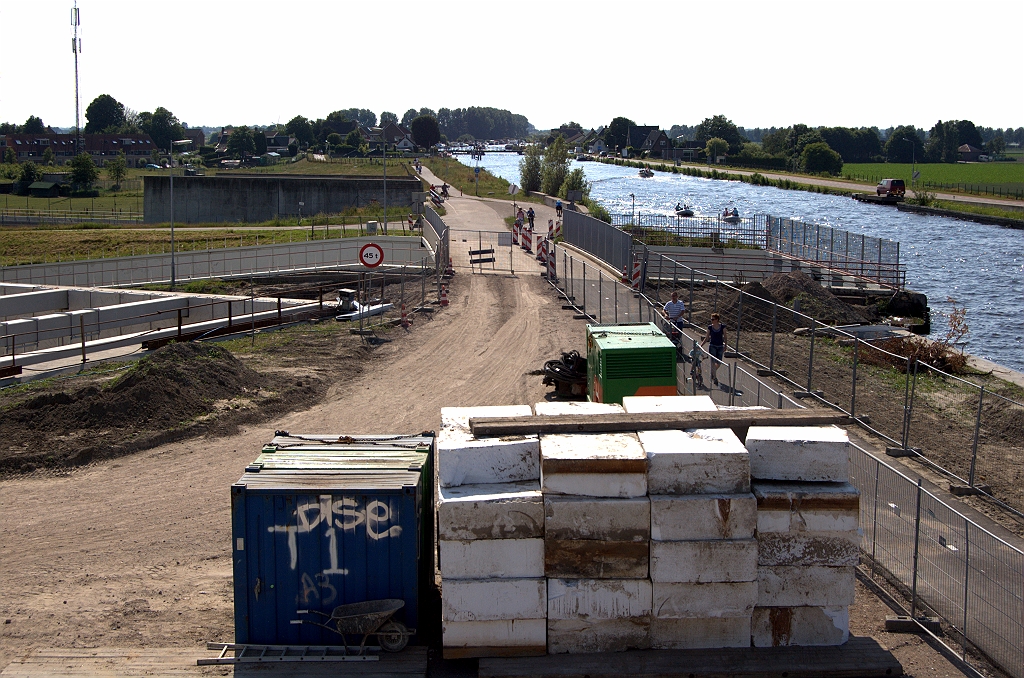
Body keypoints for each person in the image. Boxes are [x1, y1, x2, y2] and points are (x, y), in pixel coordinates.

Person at [701, 312, 728, 387]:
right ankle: (715, 377)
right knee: (712, 362)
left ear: (717, 320)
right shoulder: (710, 327)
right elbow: (707, 337)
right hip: (712, 345)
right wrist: (701, 345)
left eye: (713, 319)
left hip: (720, 346)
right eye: (711, 319)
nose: (711, 320)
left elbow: (725, 337)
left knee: (719, 362)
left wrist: (725, 345)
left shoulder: (723, 327)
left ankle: (713, 372)